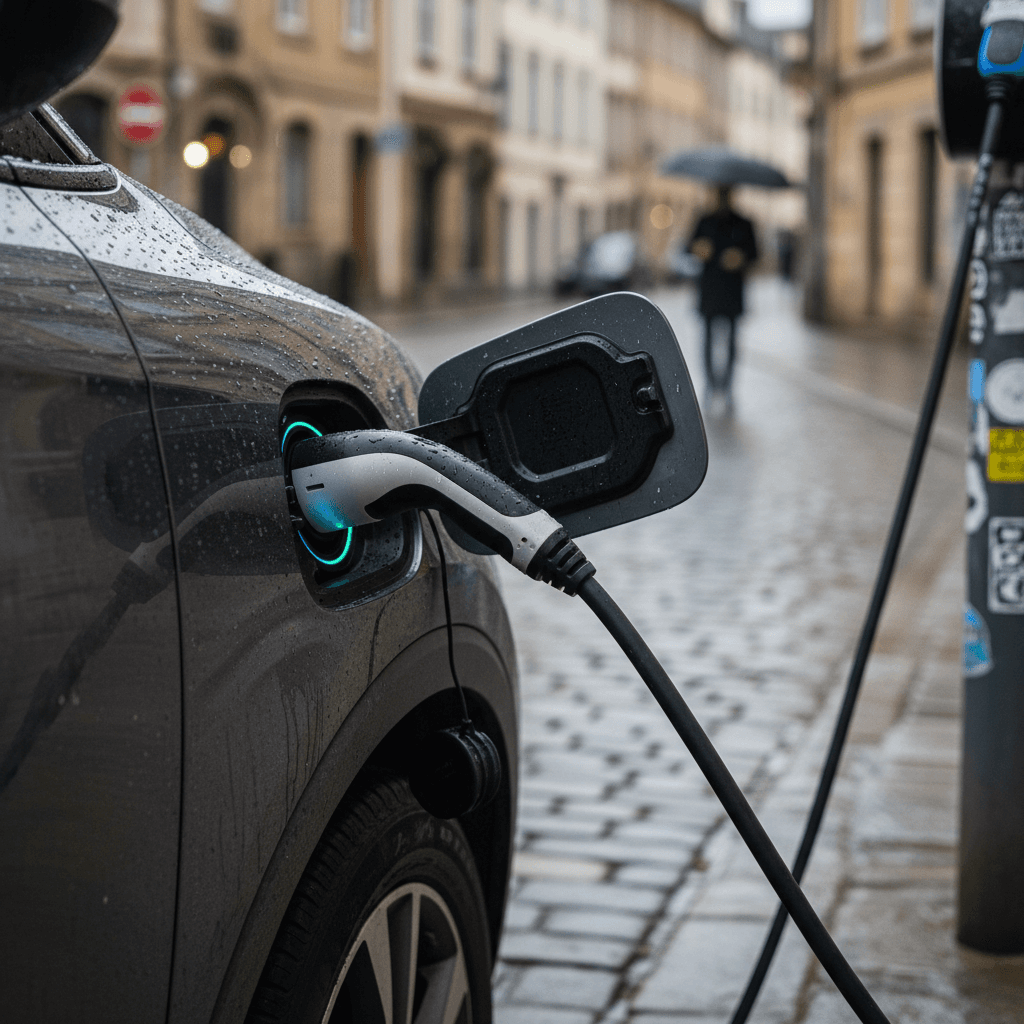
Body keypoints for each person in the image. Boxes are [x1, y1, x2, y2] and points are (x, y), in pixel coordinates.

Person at [688, 186, 758, 395]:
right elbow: (689, 246)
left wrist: (740, 257)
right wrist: (699, 249)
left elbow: (754, 253)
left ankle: (727, 383)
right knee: (707, 337)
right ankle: (711, 382)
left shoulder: (744, 223)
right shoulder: (704, 221)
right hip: (709, 288)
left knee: (732, 340)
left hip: (732, 290)